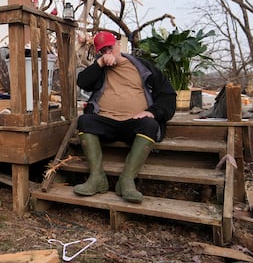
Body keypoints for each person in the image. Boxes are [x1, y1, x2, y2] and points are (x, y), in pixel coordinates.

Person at [74, 31, 176, 203]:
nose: (108, 53)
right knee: (84, 121)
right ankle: (97, 178)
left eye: (110, 48)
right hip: (106, 120)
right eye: (103, 51)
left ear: (118, 45)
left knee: (150, 125)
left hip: (134, 122)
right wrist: (99, 63)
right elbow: (82, 82)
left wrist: (153, 112)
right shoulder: (100, 69)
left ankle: (127, 180)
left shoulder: (143, 67)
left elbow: (168, 95)